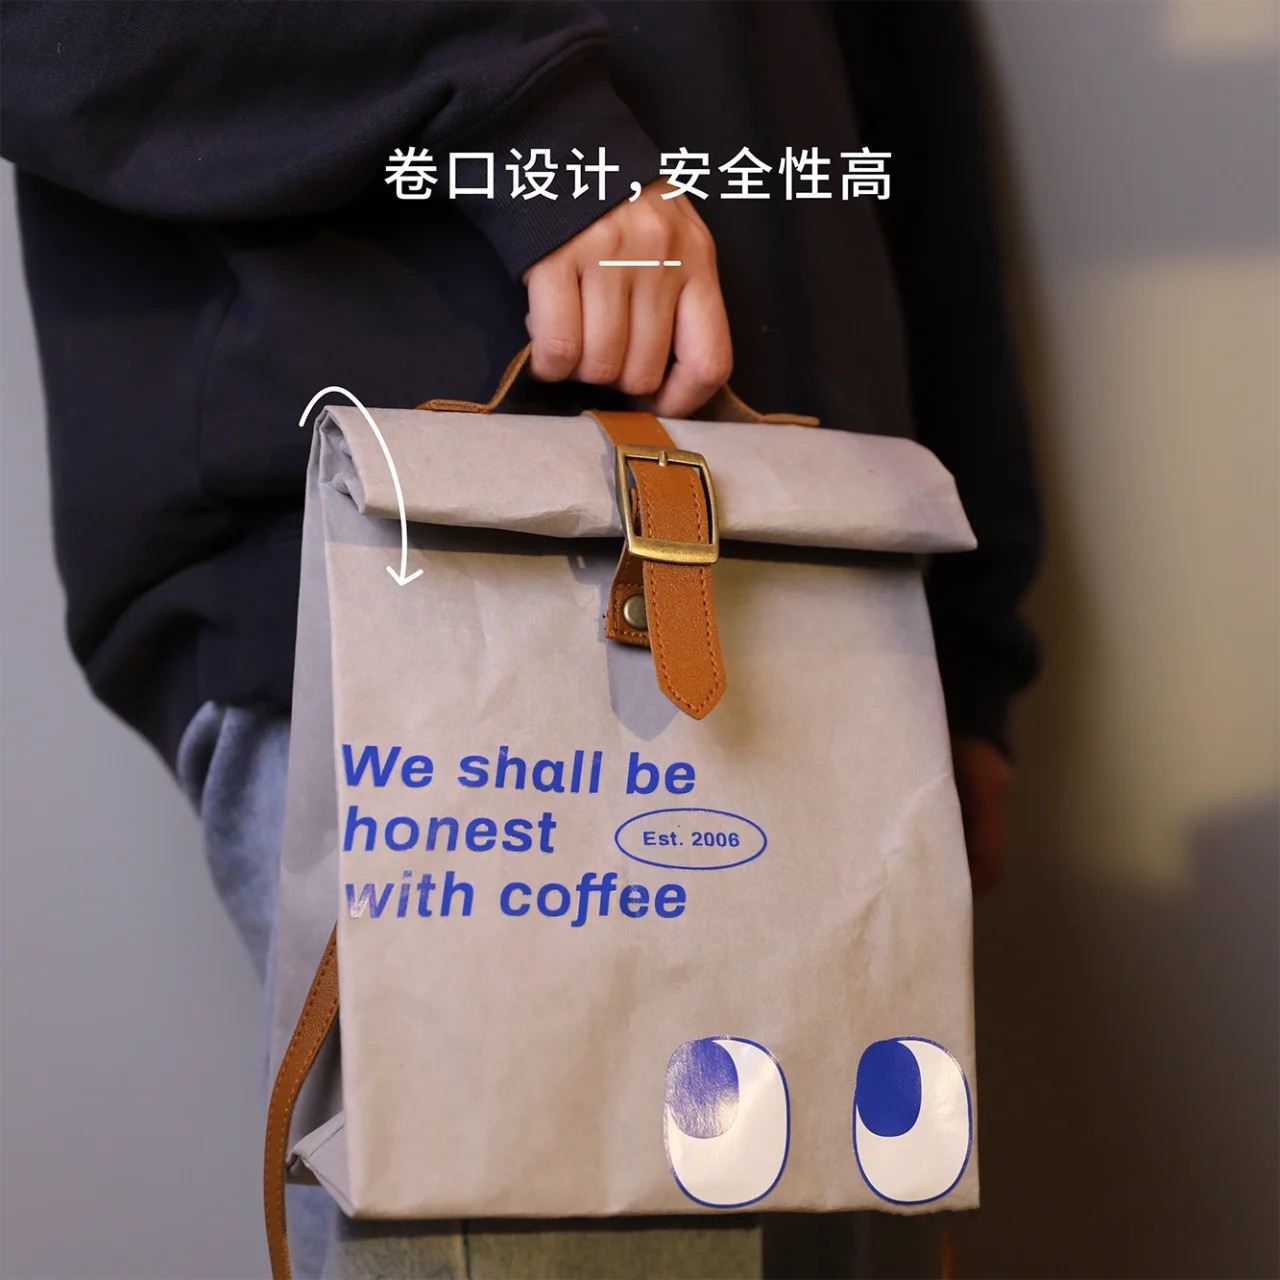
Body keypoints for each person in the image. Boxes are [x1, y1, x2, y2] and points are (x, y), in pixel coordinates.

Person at [1, 1, 1040, 1276]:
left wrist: (965, 645)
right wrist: (528, 126)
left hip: (830, 602)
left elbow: (901, 103)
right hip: (434, 593)